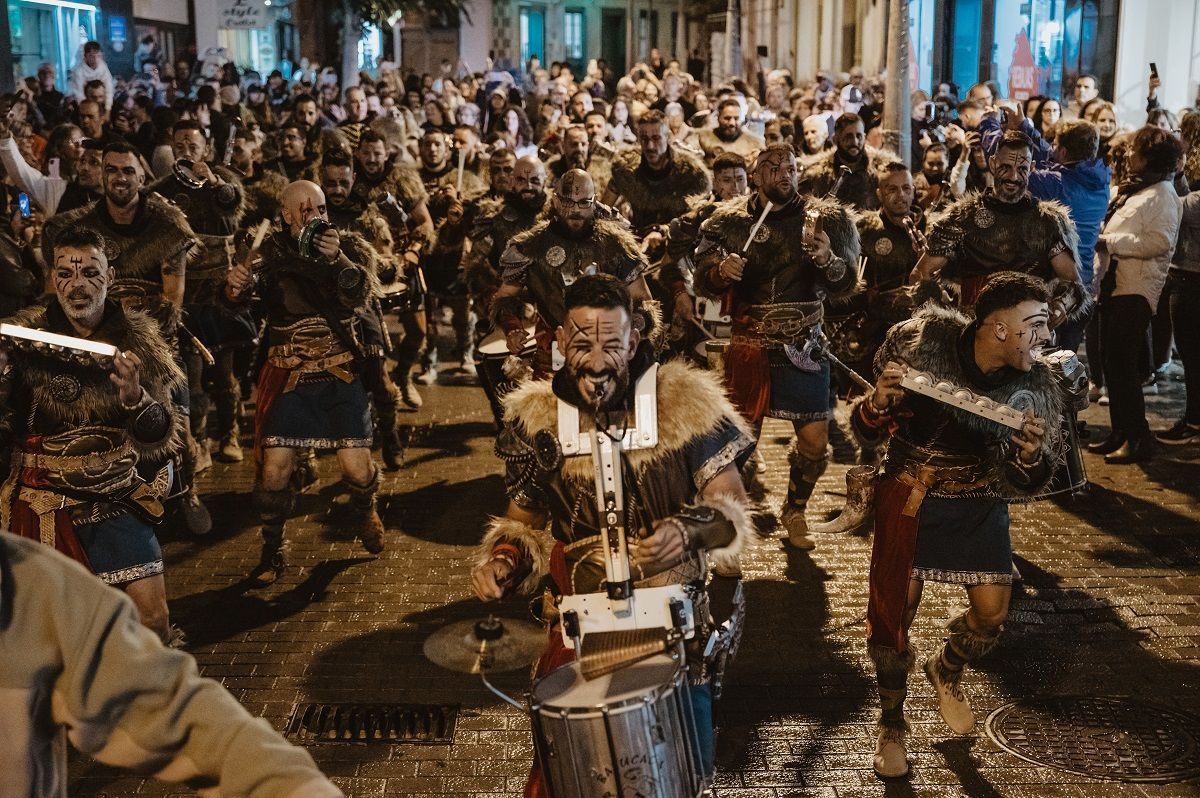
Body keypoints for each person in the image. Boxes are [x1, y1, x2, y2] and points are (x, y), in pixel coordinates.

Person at [470, 274, 755, 792]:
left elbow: (730, 503)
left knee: (676, 777)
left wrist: (689, 529)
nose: (597, 362)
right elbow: (522, 522)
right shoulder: (536, 421)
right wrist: (506, 560)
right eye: (581, 344)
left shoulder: (683, 400)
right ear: (559, 342)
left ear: (636, 341)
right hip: (581, 629)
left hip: (673, 629)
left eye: (611, 345)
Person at [853, 271, 1062, 778]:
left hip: (980, 497)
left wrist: (1031, 457)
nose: (1046, 338)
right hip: (913, 494)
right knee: (894, 614)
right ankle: (891, 726)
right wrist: (878, 402)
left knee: (991, 616)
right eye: (1034, 325)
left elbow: (1031, 477)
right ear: (997, 329)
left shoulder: (1034, 382)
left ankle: (945, 668)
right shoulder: (924, 342)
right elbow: (864, 427)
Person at [0, 531, 343, 798]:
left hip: (112, 496)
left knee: (153, 618)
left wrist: (299, 788)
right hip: (48, 496)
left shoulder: (29, 587)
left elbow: (174, 712)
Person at [1, 228, 185, 642]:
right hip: (44, 503)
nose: (77, 284)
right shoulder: (25, 339)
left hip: (116, 499)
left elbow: (160, 436)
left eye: (90, 272)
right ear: (52, 279)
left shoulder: (139, 341)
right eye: (65, 273)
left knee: (154, 622)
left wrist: (136, 399)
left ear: (111, 277)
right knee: (51, 634)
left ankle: (148, 703)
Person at [41, 140, 213, 537]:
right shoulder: (76, 228)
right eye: (112, 170)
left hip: (151, 340)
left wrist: (135, 337)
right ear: (102, 174)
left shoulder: (168, 229)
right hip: (88, 335)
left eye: (128, 170)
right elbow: (57, 293)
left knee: (177, 419)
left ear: (142, 177)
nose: (120, 178)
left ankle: (187, 488)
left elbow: (172, 299)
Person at [694, 144, 858, 550]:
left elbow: (847, 285)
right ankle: (726, 529)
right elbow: (702, 278)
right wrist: (721, 272)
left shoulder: (826, 219)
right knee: (734, 446)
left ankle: (795, 509)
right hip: (749, 345)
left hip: (804, 346)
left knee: (816, 441)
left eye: (790, 166)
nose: (784, 173)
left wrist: (827, 260)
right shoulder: (727, 221)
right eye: (773, 167)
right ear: (756, 174)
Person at [224, 180, 386, 584]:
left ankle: (365, 509)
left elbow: (359, 296)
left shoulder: (345, 247)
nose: (313, 215)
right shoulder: (267, 253)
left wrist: (338, 262)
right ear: (285, 215)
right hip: (290, 376)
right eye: (304, 209)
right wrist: (234, 288)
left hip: (338, 374)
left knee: (357, 469)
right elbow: (242, 302)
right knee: (275, 471)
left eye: (320, 207)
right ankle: (272, 547)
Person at [150, 119, 248, 467]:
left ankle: (231, 432)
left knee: (224, 371)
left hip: (220, 292)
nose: (187, 152)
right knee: (191, 374)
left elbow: (231, 208)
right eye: (180, 146)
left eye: (193, 146)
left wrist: (215, 181)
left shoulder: (223, 183)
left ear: (205, 148)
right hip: (185, 294)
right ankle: (201, 439)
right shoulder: (160, 190)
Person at [913, 131, 1086, 324]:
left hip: (1029, 334)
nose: (1013, 176)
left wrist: (1061, 305)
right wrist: (939, 316)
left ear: (1032, 168)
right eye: (1006, 167)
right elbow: (922, 273)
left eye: (1022, 168)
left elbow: (1073, 283)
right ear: (993, 163)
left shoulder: (1048, 222)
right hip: (974, 332)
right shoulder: (962, 217)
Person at [492, 169, 653, 375]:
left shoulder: (616, 245)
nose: (576, 210)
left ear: (594, 202)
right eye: (568, 202)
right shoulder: (529, 247)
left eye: (584, 202)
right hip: (551, 356)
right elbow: (505, 299)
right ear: (557, 201)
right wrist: (512, 328)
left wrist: (631, 327)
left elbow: (643, 300)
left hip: (608, 358)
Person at [1088, 126, 1184, 464]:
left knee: (1125, 367)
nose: (1128, 154)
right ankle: (1121, 431)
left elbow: (1159, 242)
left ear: (1150, 157)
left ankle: (1137, 437)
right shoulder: (1139, 190)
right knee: (1113, 364)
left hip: (1136, 290)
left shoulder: (1163, 195)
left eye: (1135, 150)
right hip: (1115, 287)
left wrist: (1109, 242)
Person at [1157, 113, 1200, 445]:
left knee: (1192, 355)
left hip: (1191, 276)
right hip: (1187, 273)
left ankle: (1195, 422)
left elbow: (1183, 210)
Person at [602, 110, 711, 239]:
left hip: (678, 242)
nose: (650, 146)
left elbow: (698, 216)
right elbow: (603, 210)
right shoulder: (626, 168)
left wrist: (662, 230)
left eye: (656, 138)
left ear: (668, 137)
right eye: (644, 139)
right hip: (637, 241)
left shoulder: (692, 174)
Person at [800, 112, 893, 210]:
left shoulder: (882, 170)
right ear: (836, 139)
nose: (855, 142)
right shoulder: (816, 174)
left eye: (859, 136)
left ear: (864, 137)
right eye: (848, 136)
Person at [690, 98, 765, 167]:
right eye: (727, 118)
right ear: (718, 117)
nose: (732, 123)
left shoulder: (756, 143)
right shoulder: (701, 137)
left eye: (736, 118)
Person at [69, 41, 114, 110]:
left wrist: (108, 108)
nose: (95, 59)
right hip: (86, 103)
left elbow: (109, 88)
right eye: (91, 56)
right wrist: (86, 108)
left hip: (102, 102)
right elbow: (79, 94)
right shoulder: (79, 71)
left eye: (98, 56)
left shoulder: (103, 67)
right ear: (85, 56)